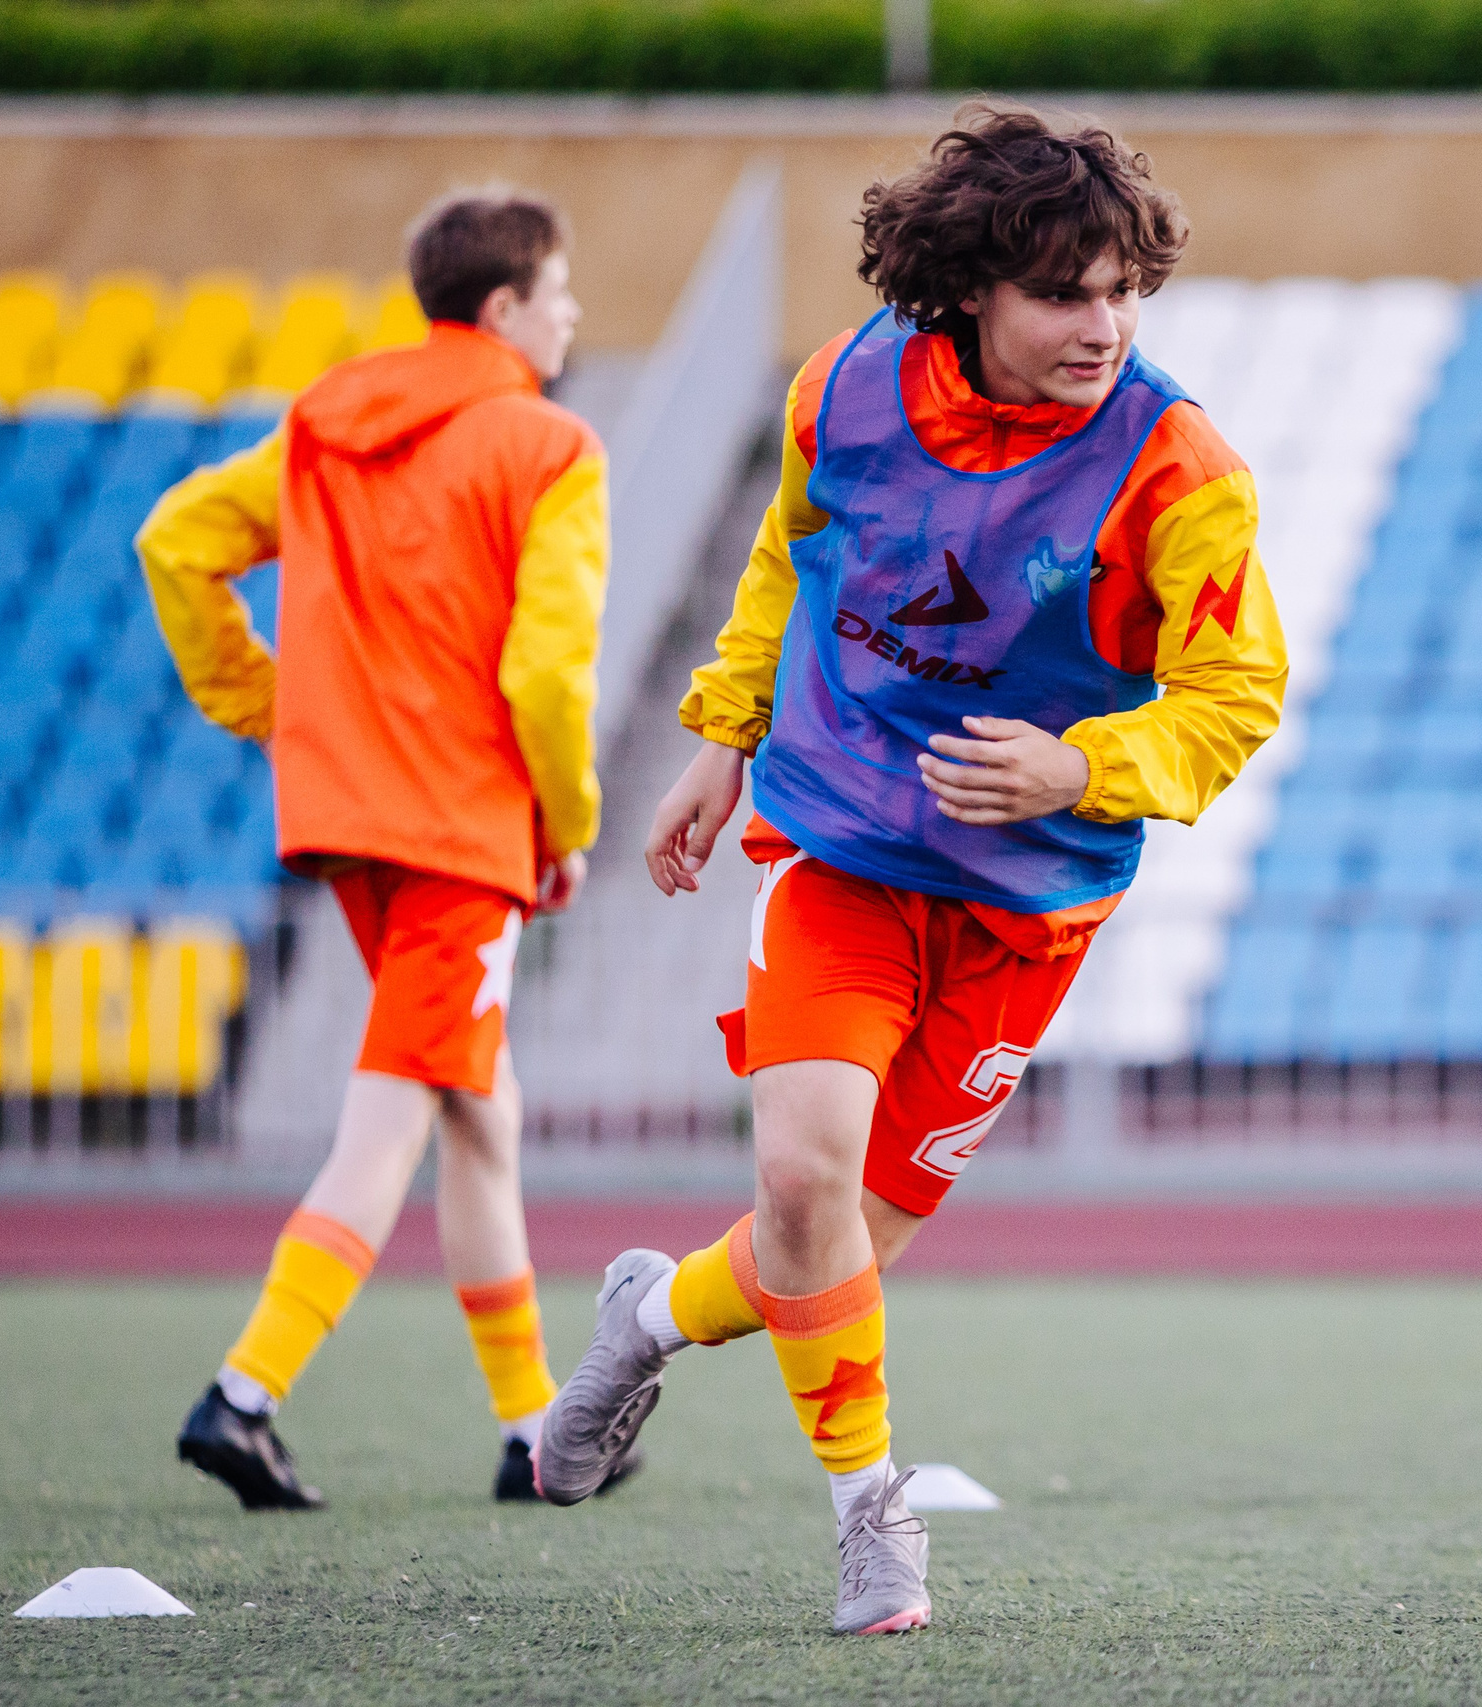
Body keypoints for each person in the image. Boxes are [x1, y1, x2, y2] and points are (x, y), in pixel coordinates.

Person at [538, 104, 1288, 1633]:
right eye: (1064, 294)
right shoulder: (846, 391)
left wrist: (1079, 767)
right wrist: (724, 729)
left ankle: (649, 1313)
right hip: (846, 841)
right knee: (803, 1180)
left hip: (1034, 906)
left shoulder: (1180, 465)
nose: (1104, 324)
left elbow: (1237, 696)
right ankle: (871, 1519)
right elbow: (786, 555)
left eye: (1122, 291)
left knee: (842, 1247)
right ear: (970, 291)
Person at [136, 187, 618, 1509]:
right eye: (560, 290)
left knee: (482, 1112)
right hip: (463, 829)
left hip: (349, 820)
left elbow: (175, 543)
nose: (574, 312)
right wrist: (565, 825)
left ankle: (536, 1431)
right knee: (397, 1114)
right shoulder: (551, 446)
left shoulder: (326, 421)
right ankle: (245, 1396)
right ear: (508, 304)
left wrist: (266, 703)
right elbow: (547, 677)